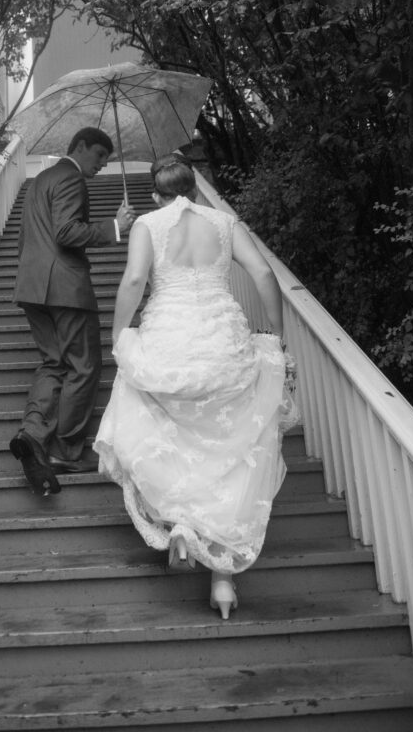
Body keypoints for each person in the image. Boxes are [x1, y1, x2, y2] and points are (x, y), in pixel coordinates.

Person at [94, 157, 299, 618]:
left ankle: (181, 524)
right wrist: (276, 337)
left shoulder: (149, 223)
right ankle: (223, 579)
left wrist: (118, 334)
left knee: (171, 434)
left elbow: (133, 280)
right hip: (223, 343)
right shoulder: (224, 222)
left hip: (169, 339)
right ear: (194, 188)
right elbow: (264, 275)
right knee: (226, 447)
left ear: (154, 193)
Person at [10, 127, 137, 496]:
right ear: (78, 146)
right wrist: (115, 226)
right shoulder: (70, 179)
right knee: (83, 365)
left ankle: (32, 435)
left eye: (106, 160)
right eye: (99, 155)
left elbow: (29, 236)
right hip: (64, 286)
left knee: (54, 364)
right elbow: (66, 232)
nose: (102, 164)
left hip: (33, 286)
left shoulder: (41, 180)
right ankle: (66, 450)